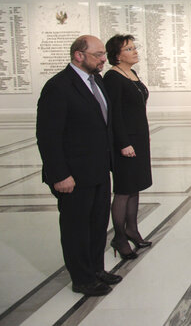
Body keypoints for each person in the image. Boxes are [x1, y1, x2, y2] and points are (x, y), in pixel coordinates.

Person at [36, 35, 121, 296]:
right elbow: (48, 136)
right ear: (79, 55)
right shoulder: (59, 87)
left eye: (104, 55)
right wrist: (60, 174)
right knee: (76, 228)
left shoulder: (97, 82)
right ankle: (82, 278)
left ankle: (96, 268)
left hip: (98, 170)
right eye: (98, 55)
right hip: (73, 175)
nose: (103, 59)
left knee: (97, 224)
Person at [103, 34, 153, 260]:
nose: (135, 51)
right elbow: (114, 115)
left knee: (135, 186)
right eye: (129, 49)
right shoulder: (112, 78)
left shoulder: (130, 73)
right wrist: (124, 143)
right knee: (123, 189)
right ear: (117, 55)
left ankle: (132, 229)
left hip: (138, 138)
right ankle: (120, 237)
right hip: (126, 142)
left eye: (134, 47)